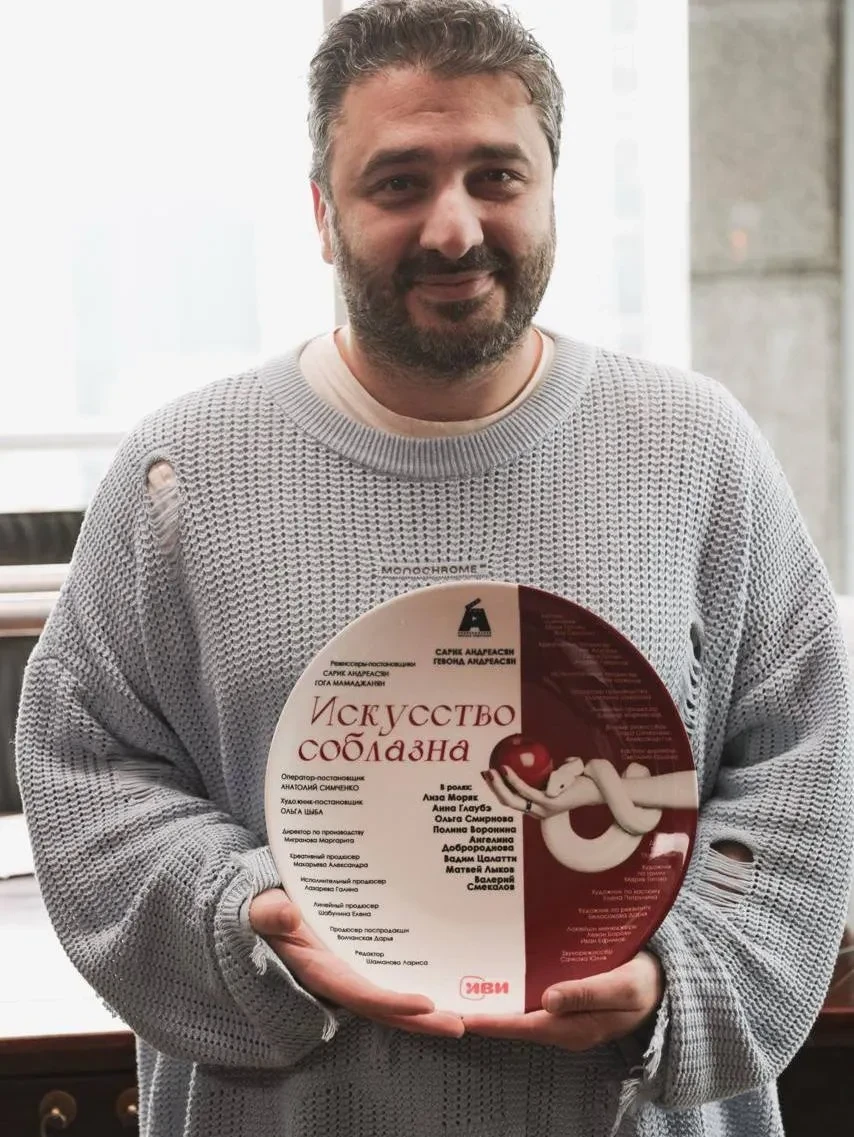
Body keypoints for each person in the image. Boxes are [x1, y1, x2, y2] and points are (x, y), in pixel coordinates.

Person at [16, 1, 854, 1134]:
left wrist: (675, 975)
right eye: (399, 182)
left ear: (551, 191)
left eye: (495, 177)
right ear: (323, 214)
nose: (454, 229)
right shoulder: (183, 477)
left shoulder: (697, 453)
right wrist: (244, 915)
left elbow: (803, 769)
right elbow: (88, 770)